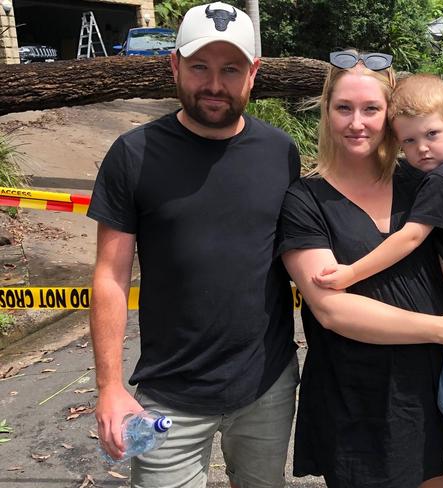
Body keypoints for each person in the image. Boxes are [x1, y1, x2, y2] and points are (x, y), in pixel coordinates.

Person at [278, 49, 443, 488]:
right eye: (344, 108)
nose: (357, 122)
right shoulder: (305, 199)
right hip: (359, 397)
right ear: (326, 112)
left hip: (438, 383)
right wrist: (441, 328)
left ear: (390, 117)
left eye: (371, 108)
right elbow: (332, 311)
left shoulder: (428, 178)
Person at [87, 3, 301, 487]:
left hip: (267, 385)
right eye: (200, 66)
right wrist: (109, 386)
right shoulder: (133, 154)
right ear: (175, 65)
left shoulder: (280, 152)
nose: (214, 85)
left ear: (254, 73)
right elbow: (110, 274)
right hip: (168, 395)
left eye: (230, 69)